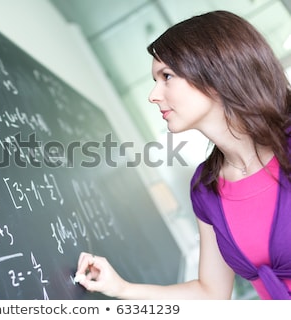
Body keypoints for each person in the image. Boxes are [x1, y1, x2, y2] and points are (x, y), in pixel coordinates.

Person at [76, 10, 291, 300]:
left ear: (215, 72)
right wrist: (122, 288)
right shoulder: (206, 188)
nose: (153, 95)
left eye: (166, 76)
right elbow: (212, 293)